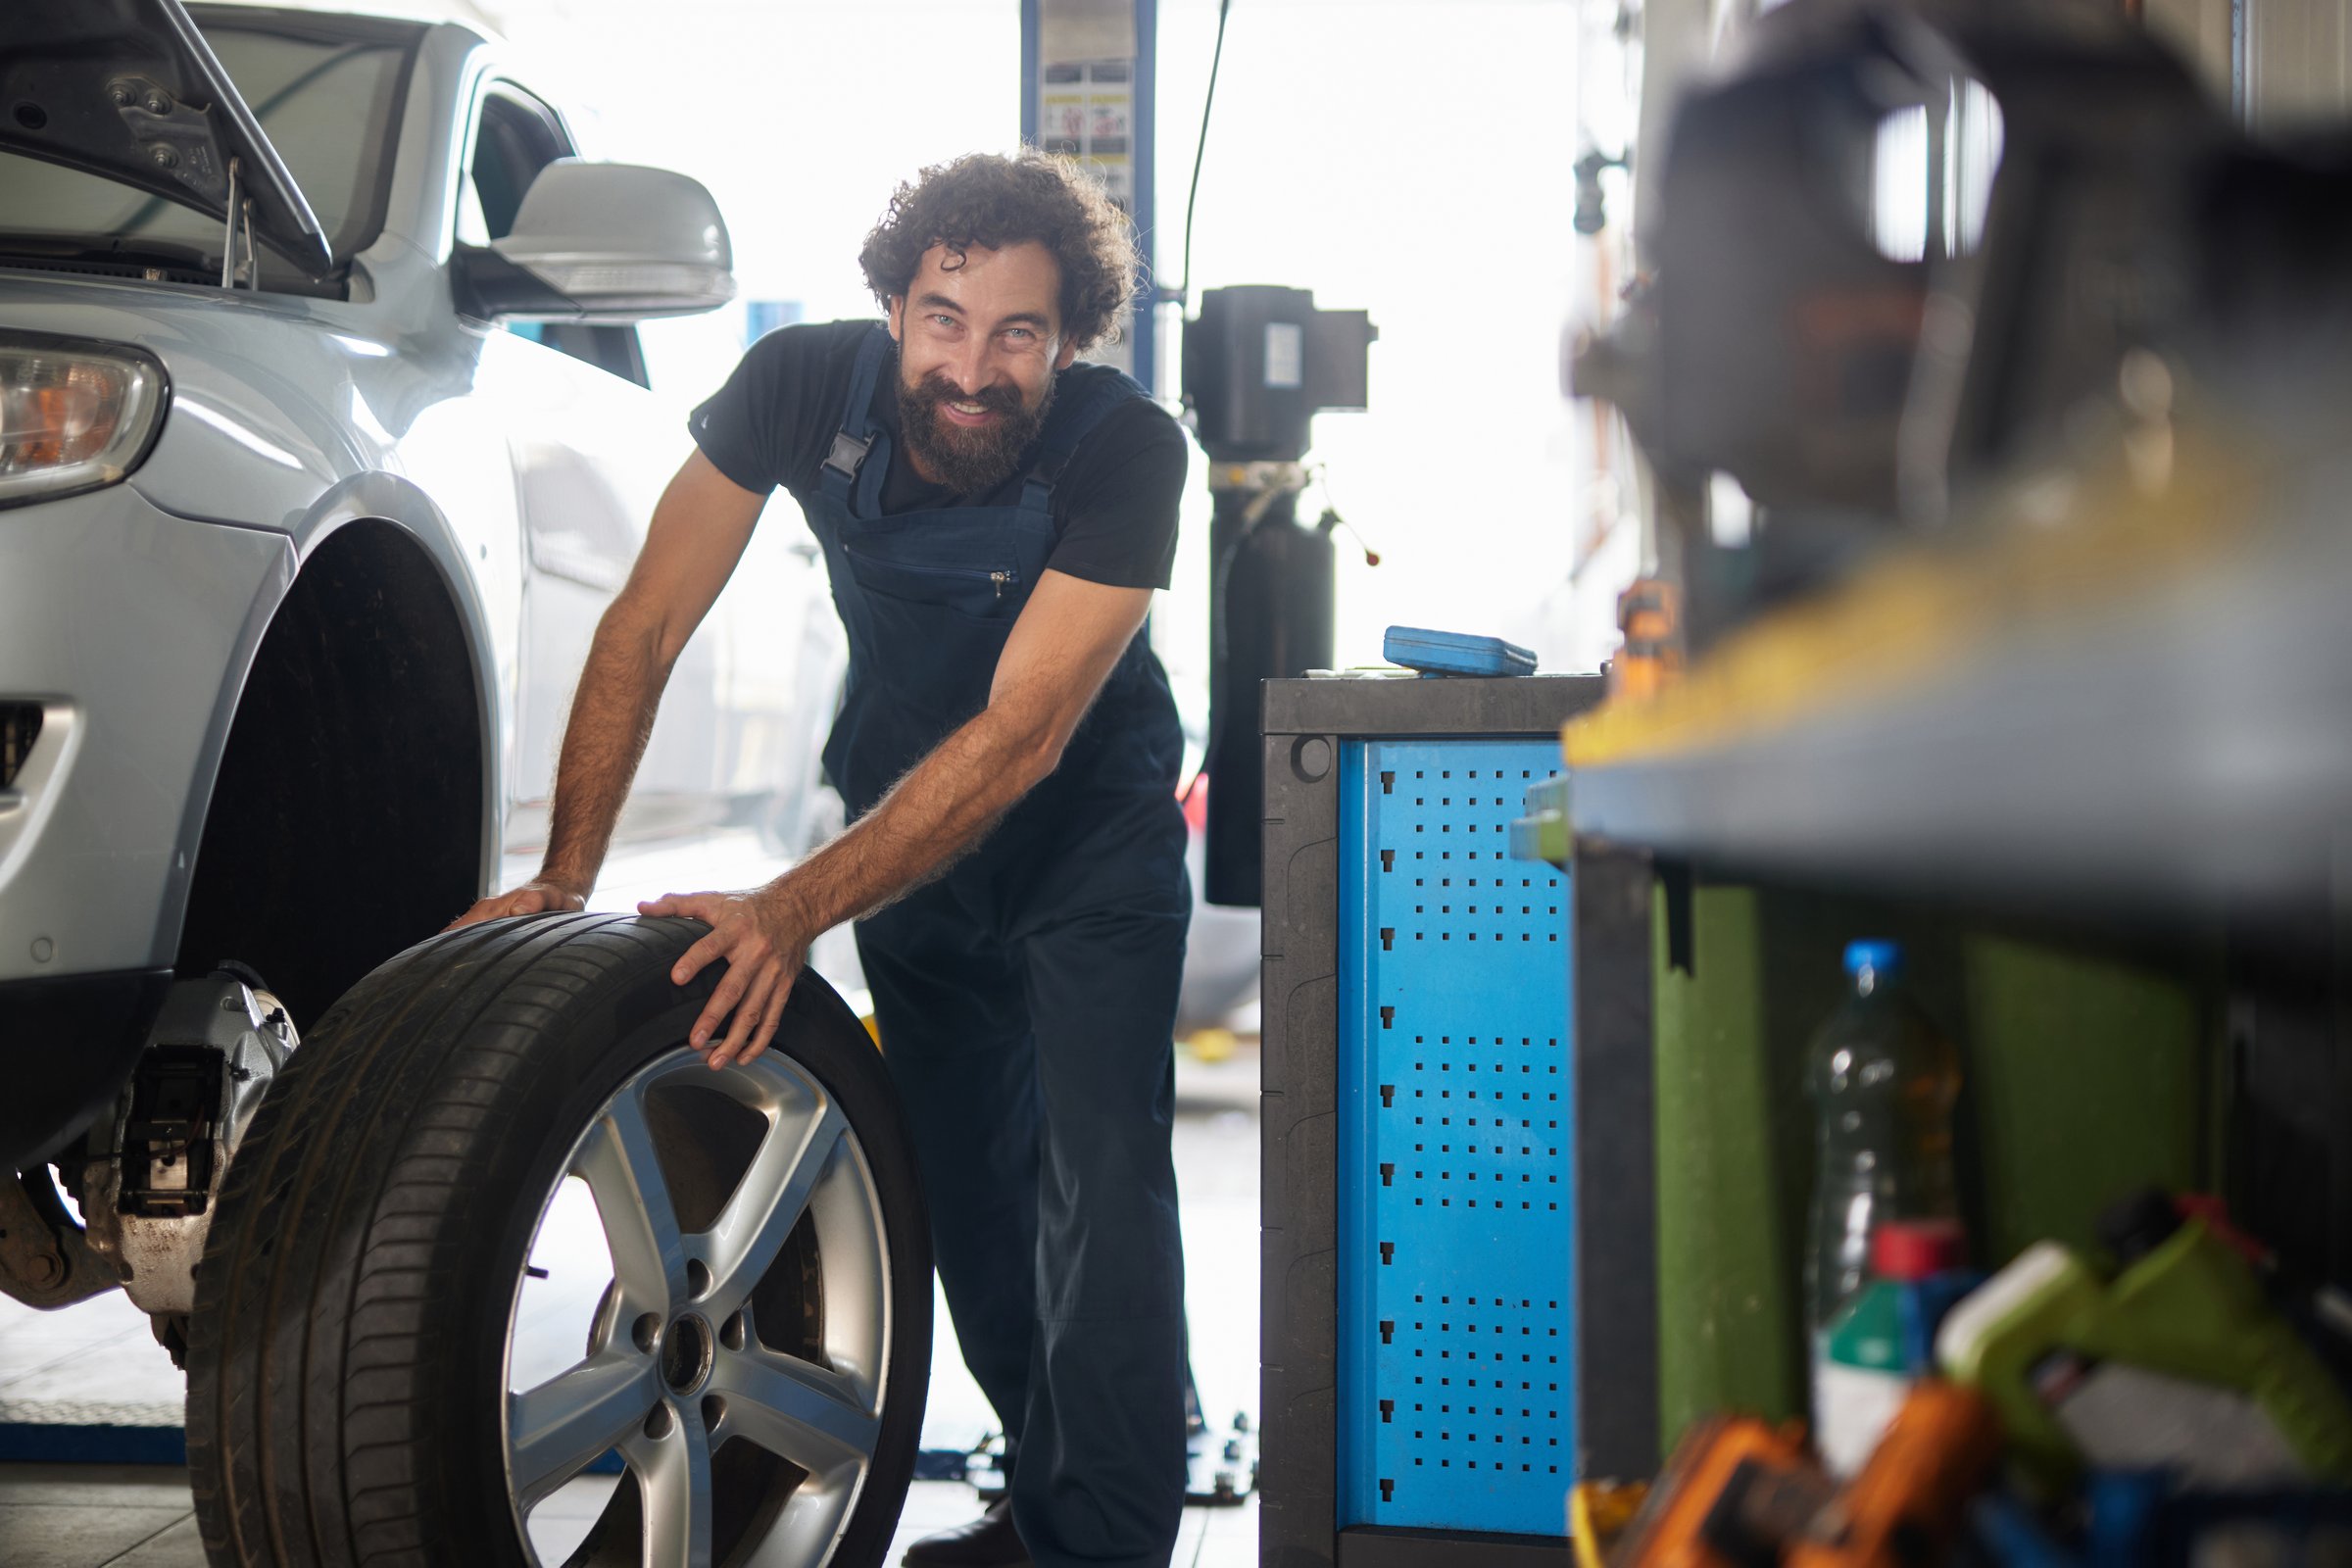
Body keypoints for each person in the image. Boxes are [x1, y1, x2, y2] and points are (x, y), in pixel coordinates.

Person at [452, 149, 1192, 1568]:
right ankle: (1045, 1506)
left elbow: (1028, 733)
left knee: (1098, 1181)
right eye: (943, 320)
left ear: (1071, 340)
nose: (971, 367)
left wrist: (792, 906)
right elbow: (647, 622)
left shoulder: (1121, 450)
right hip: (907, 848)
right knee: (967, 1192)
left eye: (1017, 334)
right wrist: (564, 872)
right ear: (895, 308)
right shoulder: (798, 389)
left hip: (1086, 842)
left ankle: (1103, 1546)